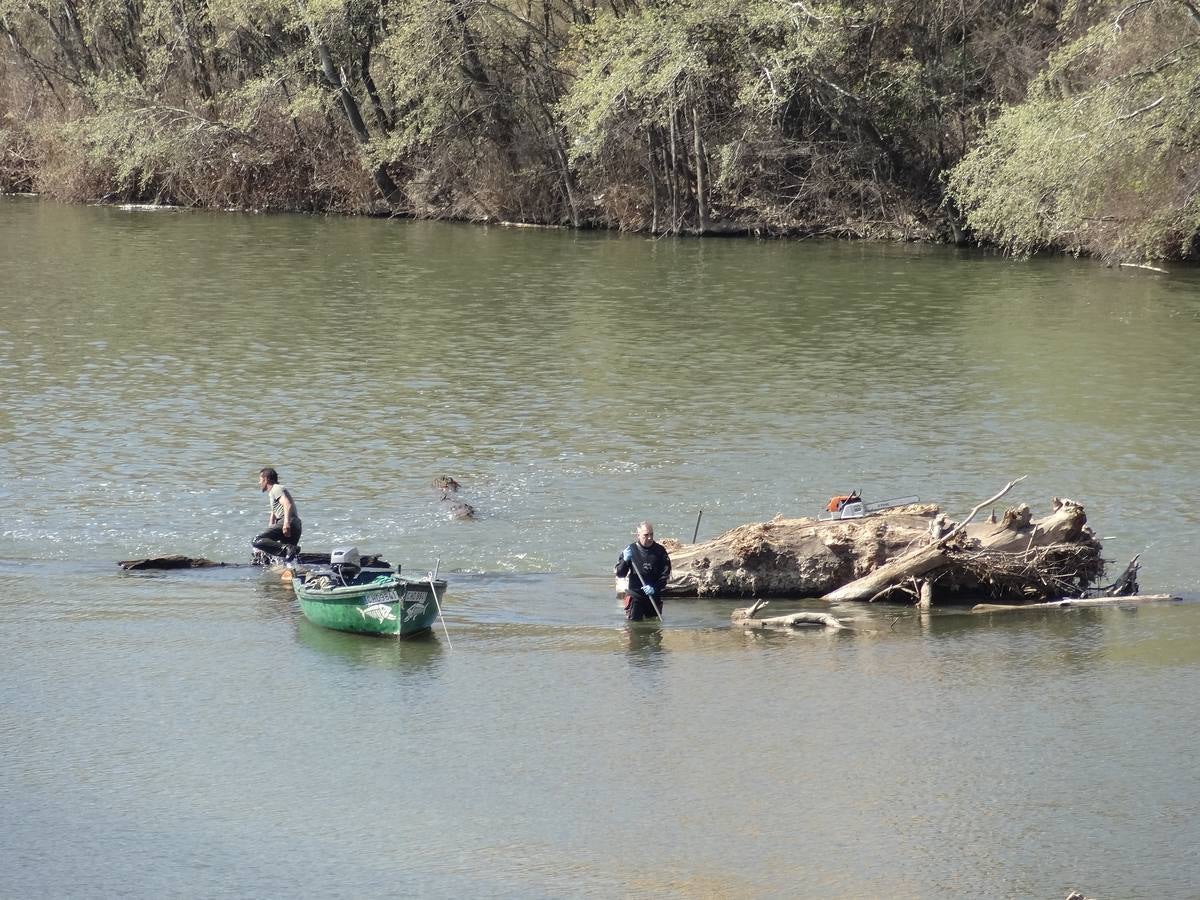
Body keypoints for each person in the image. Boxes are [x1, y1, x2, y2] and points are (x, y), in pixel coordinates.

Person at [614, 521, 671, 621]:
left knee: (654, 630)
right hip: (636, 597)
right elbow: (620, 573)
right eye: (646, 535)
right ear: (638, 535)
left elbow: (665, 574)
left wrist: (654, 588)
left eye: (651, 534)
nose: (650, 538)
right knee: (635, 629)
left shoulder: (660, 551)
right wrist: (625, 561)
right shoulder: (630, 550)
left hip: (653, 596)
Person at [252, 467, 303, 559]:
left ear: (266, 479)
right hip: (296, 524)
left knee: (256, 540)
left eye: (260, 480)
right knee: (286, 557)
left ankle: (289, 548)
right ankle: (291, 566)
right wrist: (264, 547)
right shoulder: (273, 493)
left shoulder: (276, 488)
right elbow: (273, 517)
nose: (259, 483)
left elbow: (287, 504)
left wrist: (286, 523)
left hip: (288, 521)